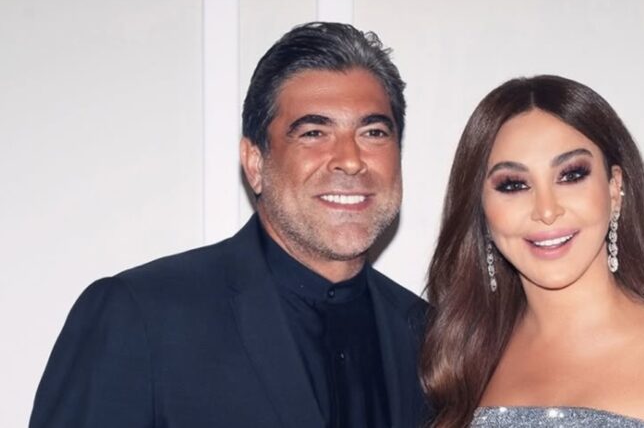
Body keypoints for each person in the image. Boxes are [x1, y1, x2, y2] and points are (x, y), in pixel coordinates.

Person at [30, 22, 427, 428]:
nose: (350, 160)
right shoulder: (141, 316)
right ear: (255, 164)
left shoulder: (429, 336)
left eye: (374, 132)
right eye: (313, 132)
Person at [420, 75, 644, 427]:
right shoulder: (464, 362)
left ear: (615, 188)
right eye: (513, 185)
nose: (546, 210)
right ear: (481, 208)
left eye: (571, 175)